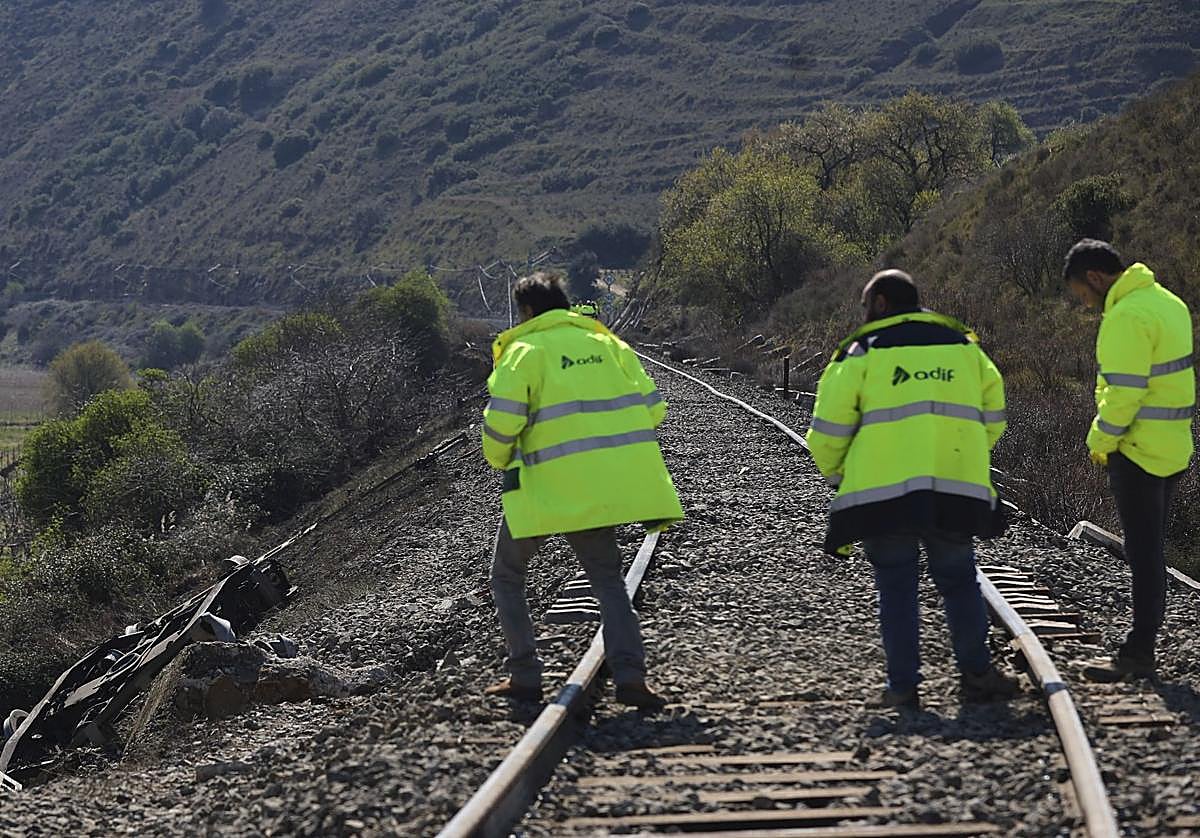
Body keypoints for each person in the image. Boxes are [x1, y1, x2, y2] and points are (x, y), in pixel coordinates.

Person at [805, 270, 1021, 709]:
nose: (864, 314)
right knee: (960, 581)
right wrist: (963, 457)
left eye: (867, 305)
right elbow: (994, 414)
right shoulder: (964, 347)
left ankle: (903, 688)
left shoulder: (861, 351)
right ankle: (978, 675)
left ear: (881, 303)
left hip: (884, 496)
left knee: (896, 588)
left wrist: (840, 478)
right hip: (954, 488)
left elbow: (826, 432)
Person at [481, 272, 684, 710]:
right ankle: (631, 677)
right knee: (609, 581)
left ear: (528, 311)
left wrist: (500, 459)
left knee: (507, 576)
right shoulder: (609, 345)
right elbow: (654, 409)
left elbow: (502, 425)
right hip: (597, 490)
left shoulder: (523, 352)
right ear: (565, 304)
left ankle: (525, 676)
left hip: (542, 487)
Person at [1062, 239, 1194, 681]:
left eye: (1083, 294)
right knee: (1149, 547)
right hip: (1174, 445)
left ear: (1096, 278)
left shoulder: (1125, 317)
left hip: (1137, 450)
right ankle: (1143, 646)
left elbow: (1124, 394)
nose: (1086, 305)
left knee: (1143, 551)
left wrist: (1099, 439)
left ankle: (1138, 654)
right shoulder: (1168, 303)